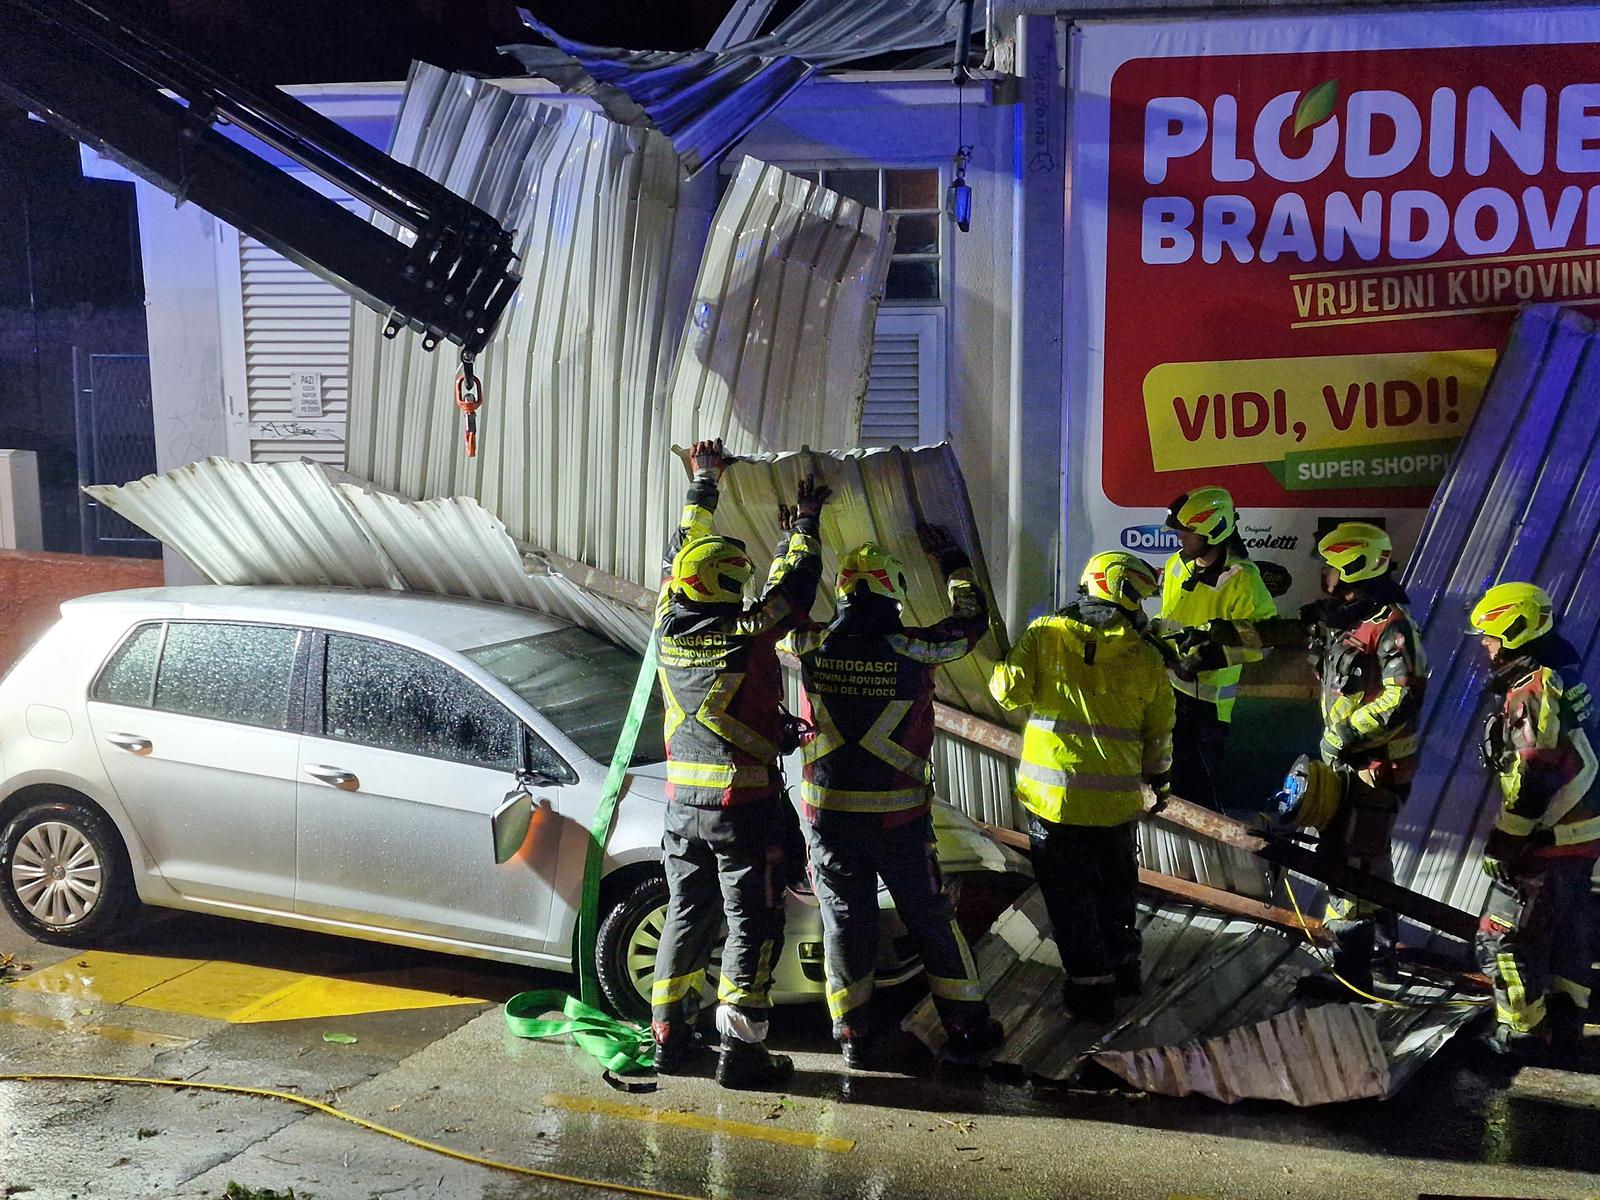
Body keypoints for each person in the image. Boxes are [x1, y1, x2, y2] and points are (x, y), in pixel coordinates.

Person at [782, 525, 1004, 1069]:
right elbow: (972, 620)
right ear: (894, 589)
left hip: (827, 817)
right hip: (899, 822)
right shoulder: (916, 646)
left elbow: (781, 599)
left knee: (844, 921)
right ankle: (968, 1026)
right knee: (930, 919)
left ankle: (852, 1034)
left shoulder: (808, 640)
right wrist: (951, 559)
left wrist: (803, 529)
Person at [650, 437, 830, 1089]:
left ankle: (667, 1041)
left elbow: (681, 549)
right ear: (729, 585)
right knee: (752, 927)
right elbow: (796, 589)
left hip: (680, 813)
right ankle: (741, 1055)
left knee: (684, 918)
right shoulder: (748, 636)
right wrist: (804, 525)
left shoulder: (668, 625)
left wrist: (705, 482)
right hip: (742, 817)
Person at [990, 551, 1173, 1022]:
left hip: (1054, 802)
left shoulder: (1044, 634)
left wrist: (999, 664)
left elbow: (1008, 693)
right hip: (1114, 804)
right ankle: (1124, 969)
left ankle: (1091, 991)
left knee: (1070, 900)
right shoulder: (1146, 655)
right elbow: (1160, 730)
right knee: (1115, 890)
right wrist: (1159, 781)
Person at [1468, 581, 1599, 1059]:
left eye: (1489, 635)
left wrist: (1507, 838)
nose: (1485, 646)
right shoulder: (1565, 673)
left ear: (1514, 629)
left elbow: (1534, 769)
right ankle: (1565, 1030)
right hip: (1580, 839)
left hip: (1546, 839)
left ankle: (1519, 1036)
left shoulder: (1532, 688)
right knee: (1568, 938)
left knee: (1499, 941)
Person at [1296, 521, 1427, 1000]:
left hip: (1376, 767)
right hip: (1350, 762)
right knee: (1369, 860)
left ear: (1352, 568)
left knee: (1347, 862)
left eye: (1331, 567)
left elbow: (1402, 698)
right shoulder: (1347, 620)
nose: (1325, 575)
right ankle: (1383, 955)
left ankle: (1351, 976)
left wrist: (1347, 734)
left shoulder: (1392, 625)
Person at [1154, 486, 1276, 810]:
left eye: (1187, 532)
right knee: (1167, 786)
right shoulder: (1177, 566)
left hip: (1208, 710)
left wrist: (1211, 656)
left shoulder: (1243, 580)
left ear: (1212, 531)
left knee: (1201, 795)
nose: (1180, 538)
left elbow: (1264, 641)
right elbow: (1170, 619)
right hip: (1169, 693)